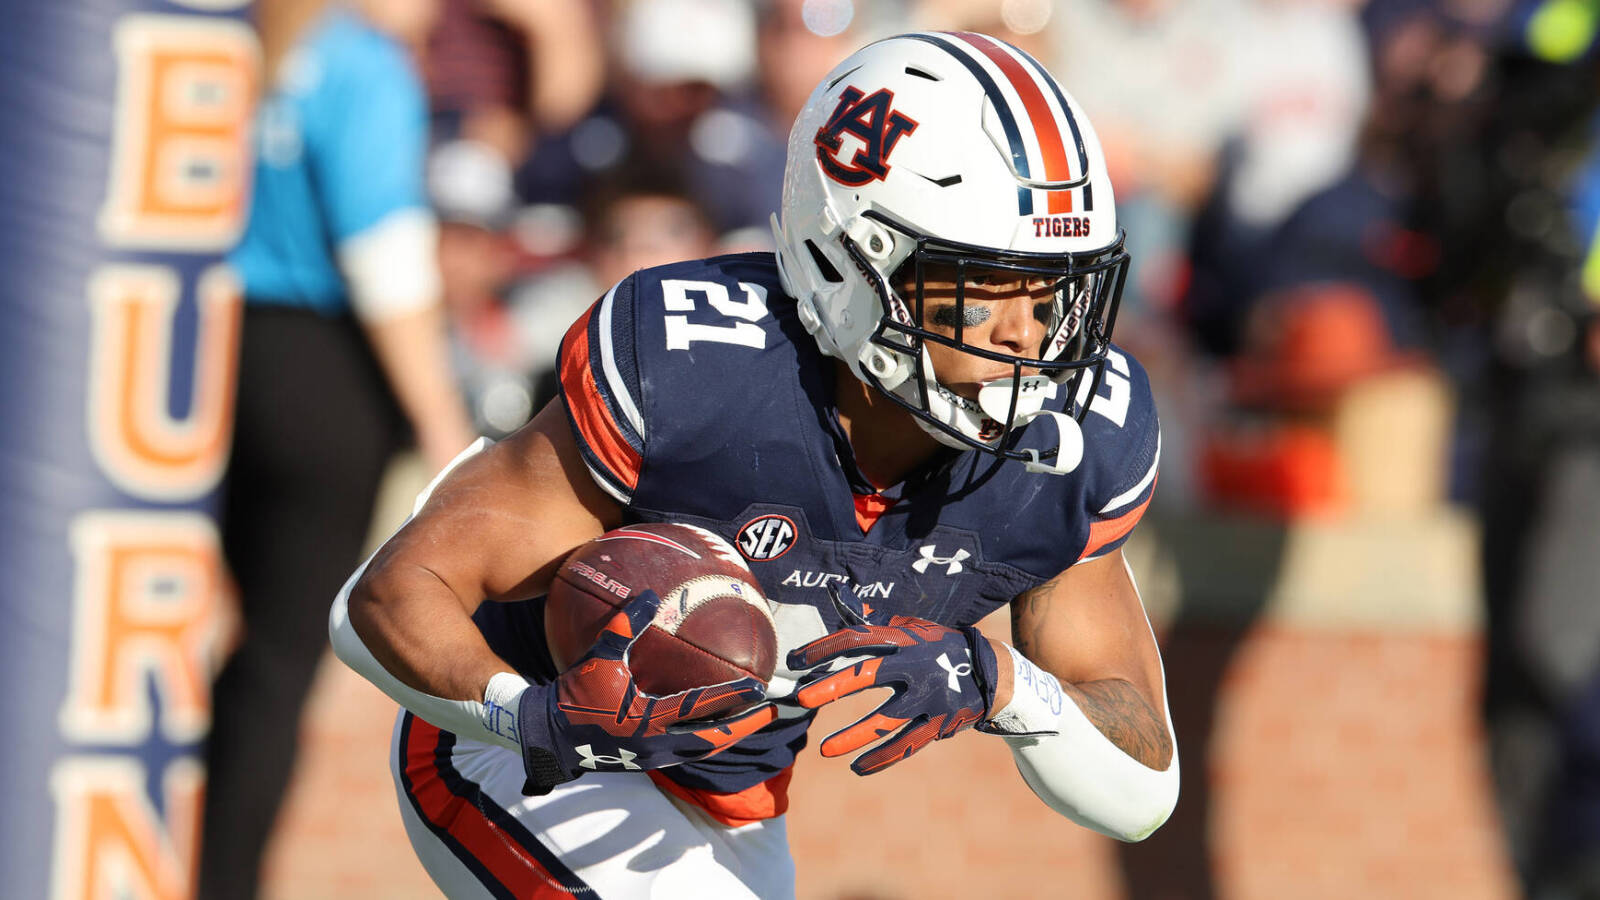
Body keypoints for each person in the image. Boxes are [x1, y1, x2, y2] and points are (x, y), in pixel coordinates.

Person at [330, 31, 1178, 898]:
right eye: (983, 282)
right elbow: (385, 600)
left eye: (1054, 287)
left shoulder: (1072, 444)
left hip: (738, 805)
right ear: (851, 259)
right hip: (528, 759)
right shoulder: (703, 372)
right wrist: (534, 718)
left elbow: (1142, 791)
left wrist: (1003, 683)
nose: (1027, 334)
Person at [200, 1, 476, 897]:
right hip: (316, 375)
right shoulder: (362, 65)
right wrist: (443, 428)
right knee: (275, 665)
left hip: (187, 356)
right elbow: (383, 253)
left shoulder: (219, 41)